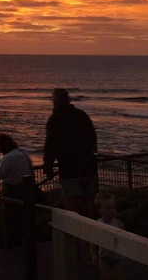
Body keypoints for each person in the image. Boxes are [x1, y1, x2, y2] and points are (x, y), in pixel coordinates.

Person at [43, 88, 98, 218]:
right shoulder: (82, 115)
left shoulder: (55, 119)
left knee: (73, 205)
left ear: (55, 101)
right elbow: (93, 138)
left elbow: (50, 146)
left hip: (69, 170)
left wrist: (48, 168)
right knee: (90, 202)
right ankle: (94, 230)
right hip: (88, 167)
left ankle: (79, 233)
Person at [0, 134, 33, 247]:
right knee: (23, 218)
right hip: (25, 189)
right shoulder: (23, 153)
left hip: (11, 190)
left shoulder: (8, 157)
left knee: (9, 219)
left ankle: (10, 245)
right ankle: (25, 242)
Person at [92, 191, 126, 280]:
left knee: (118, 277)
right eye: (108, 208)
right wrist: (93, 254)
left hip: (118, 257)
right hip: (104, 257)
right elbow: (92, 240)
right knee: (104, 277)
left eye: (114, 208)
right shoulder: (97, 224)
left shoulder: (118, 223)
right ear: (99, 210)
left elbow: (125, 239)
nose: (112, 210)